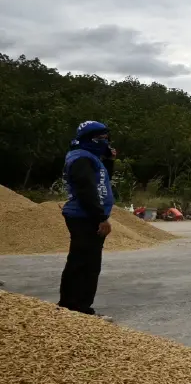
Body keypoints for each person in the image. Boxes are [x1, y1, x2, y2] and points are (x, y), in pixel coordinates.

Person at [59, 121, 117, 321]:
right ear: (88, 139)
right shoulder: (81, 159)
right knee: (85, 264)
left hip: (87, 215)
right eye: (100, 139)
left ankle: (72, 306)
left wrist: (109, 160)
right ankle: (78, 309)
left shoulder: (89, 157)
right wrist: (100, 217)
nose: (104, 142)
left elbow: (103, 180)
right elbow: (86, 190)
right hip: (85, 216)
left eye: (106, 138)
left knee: (85, 262)